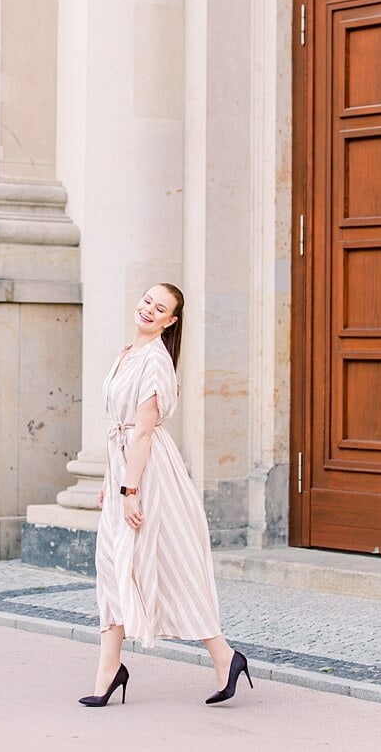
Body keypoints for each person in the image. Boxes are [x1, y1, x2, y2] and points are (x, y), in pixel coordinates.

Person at [79, 283, 254, 707]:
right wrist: (109, 479)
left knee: (169, 565)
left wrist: (131, 490)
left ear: (170, 321)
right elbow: (119, 431)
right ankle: (109, 669)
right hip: (125, 470)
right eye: (146, 301)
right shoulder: (126, 354)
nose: (148, 310)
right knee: (112, 565)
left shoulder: (156, 362)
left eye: (159, 309)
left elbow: (142, 432)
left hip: (150, 475)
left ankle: (224, 656)